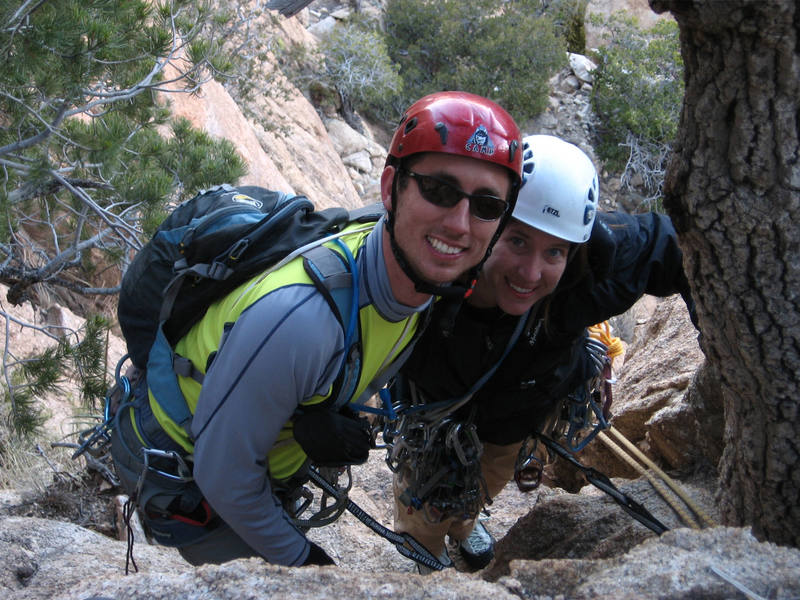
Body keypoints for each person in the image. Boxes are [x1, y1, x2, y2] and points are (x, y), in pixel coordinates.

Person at [110, 91, 523, 567]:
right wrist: (307, 565)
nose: (459, 223)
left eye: (487, 205)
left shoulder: (421, 279)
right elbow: (225, 476)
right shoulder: (302, 320)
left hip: (251, 451)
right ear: (392, 188)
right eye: (439, 190)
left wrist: (315, 407)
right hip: (188, 476)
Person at [389, 134, 697, 571]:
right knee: (424, 490)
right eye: (517, 241)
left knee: (487, 477)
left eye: (554, 251)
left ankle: (462, 521)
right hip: (433, 406)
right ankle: (426, 551)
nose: (530, 273)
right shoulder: (439, 260)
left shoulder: (595, 268)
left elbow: (685, 248)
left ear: (574, 249)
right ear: (488, 221)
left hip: (518, 409)